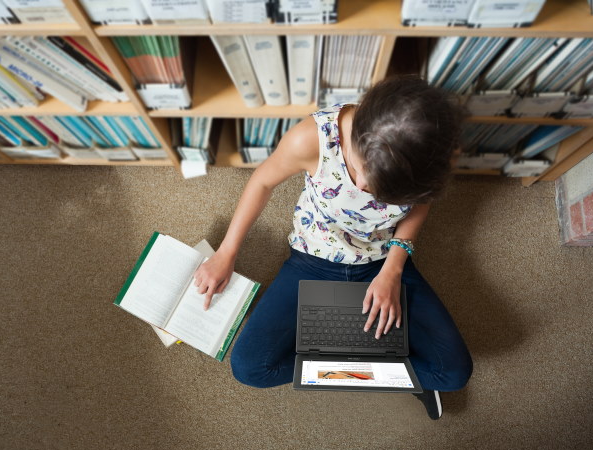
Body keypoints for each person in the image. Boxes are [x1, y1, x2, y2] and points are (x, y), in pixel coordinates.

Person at [193, 75, 473, 420]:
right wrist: (227, 252)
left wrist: (393, 270)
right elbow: (262, 181)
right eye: (362, 171)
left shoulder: (429, 162)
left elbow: (419, 206)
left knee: (454, 373)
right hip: (312, 257)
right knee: (250, 368)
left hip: (383, 260)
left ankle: (367, 366)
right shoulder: (311, 139)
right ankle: (387, 369)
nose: (365, 186)